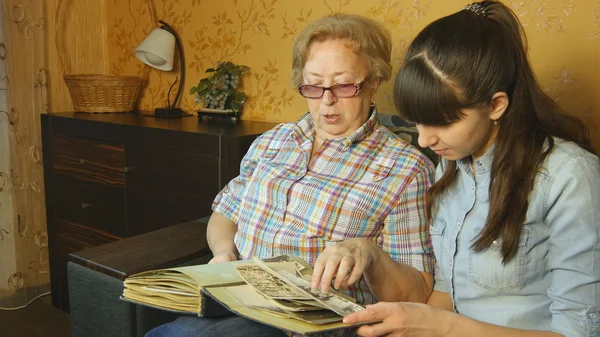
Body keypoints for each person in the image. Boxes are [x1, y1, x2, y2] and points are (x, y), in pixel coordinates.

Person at [146, 13, 435, 337]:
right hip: (236, 298)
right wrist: (224, 252)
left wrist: (367, 253)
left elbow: (418, 292)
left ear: (373, 83)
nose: (327, 101)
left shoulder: (405, 168)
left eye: (343, 85)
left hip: (313, 324)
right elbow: (226, 212)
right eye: (313, 85)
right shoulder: (274, 141)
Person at [323, 1, 600, 336]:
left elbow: (580, 332)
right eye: (417, 122)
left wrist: (444, 326)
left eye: (441, 122)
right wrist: (373, 262)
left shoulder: (571, 177)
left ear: (496, 105)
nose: (423, 140)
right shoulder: (452, 168)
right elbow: (446, 295)